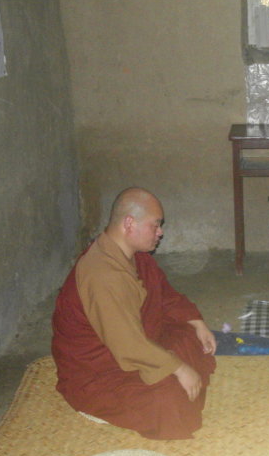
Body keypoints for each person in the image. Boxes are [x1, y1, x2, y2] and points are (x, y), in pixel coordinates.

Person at [52, 187, 217, 440]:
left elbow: (165, 296)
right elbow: (127, 345)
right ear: (129, 223)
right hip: (100, 371)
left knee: (189, 338)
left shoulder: (134, 256)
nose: (160, 232)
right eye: (156, 225)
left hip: (138, 342)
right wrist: (180, 369)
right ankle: (104, 405)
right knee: (168, 400)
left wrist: (197, 323)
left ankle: (176, 370)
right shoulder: (102, 274)